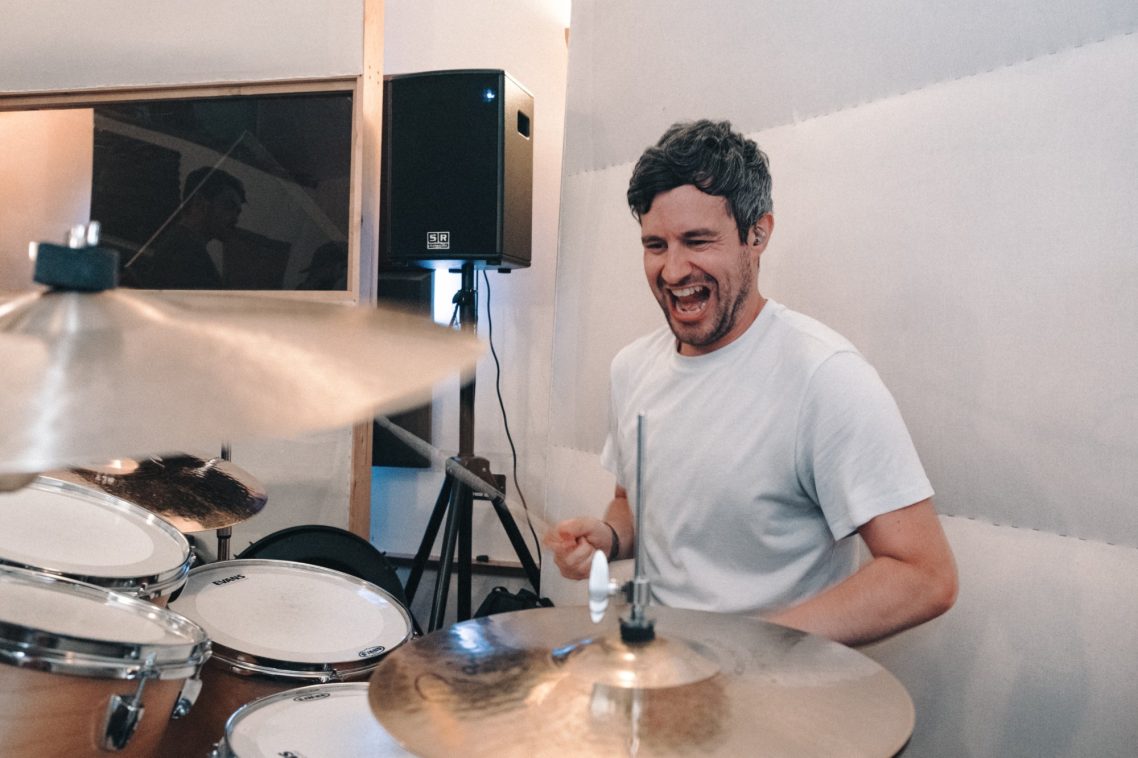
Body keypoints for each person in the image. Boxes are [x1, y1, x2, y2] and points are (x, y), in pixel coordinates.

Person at [545, 120, 957, 646]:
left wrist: (745, 650)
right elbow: (634, 504)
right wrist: (606, 538)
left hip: (773, 698)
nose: (673, 271)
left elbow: (924, 575)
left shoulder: (825, 377)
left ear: (757, 234)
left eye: (697, 241)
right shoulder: (631, 369)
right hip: (660, 674)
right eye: (655, 245)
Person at [133, 166, 245, 289]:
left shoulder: (180, 246)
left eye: (237, 212)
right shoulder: (186, 254)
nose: (235, 219)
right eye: (228, 206)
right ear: (199, 202)